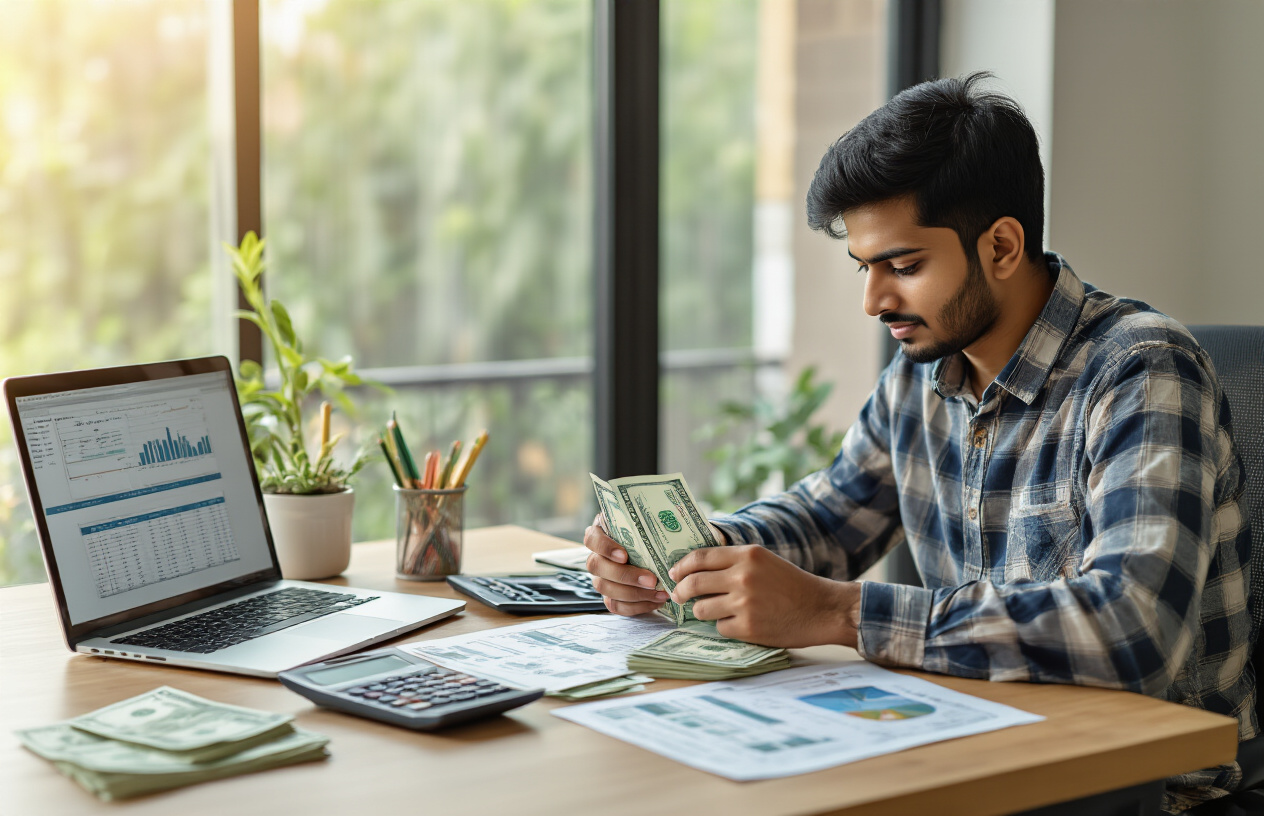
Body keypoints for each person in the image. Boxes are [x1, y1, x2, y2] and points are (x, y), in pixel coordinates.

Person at [582, 73, 1255, 813]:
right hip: (977, 749)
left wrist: (841, 614)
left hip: (1152, 789)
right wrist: (695, 556)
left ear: (1001, 245)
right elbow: (829, 519)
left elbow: (1134, 629)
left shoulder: (1141, 369)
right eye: (865, 269)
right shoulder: (926, 369)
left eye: (903, 267)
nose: (875, 302)